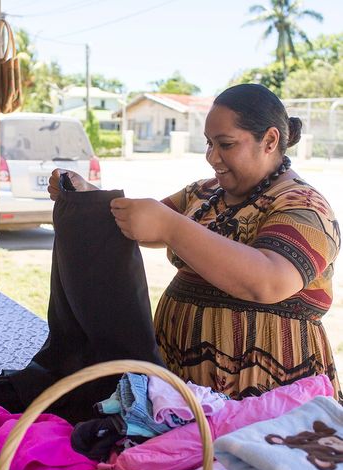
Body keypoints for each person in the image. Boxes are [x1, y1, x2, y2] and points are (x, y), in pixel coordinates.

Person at [49, 83, 342, 402]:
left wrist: (172, 228)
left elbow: (268, 281)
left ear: (270, 140)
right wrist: (88, 194)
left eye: (226, 144)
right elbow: (143, 222)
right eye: (208, 144)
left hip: (264, 392)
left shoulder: (303, 205)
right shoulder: (203, 193)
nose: (212, 157)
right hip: (181, 379)